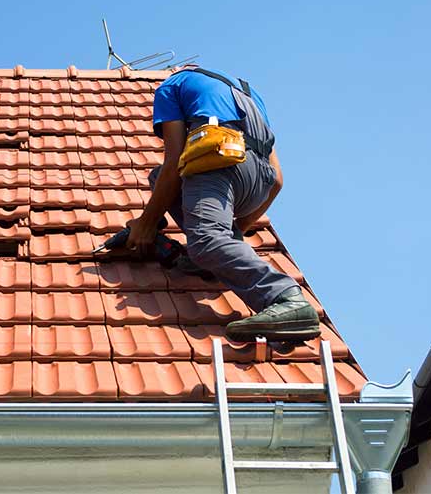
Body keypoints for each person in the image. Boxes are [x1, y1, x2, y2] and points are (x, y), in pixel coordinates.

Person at [126, 66, 320, 342]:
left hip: (221, 162)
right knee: (158, 179)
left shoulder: (170, 87)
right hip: (258, 183)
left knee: (205, 239)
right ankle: (217, 254)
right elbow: (277, 180)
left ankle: (285, 298)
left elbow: (173, 163)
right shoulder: (248, 94)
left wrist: (146, 224)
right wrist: (235, 231)